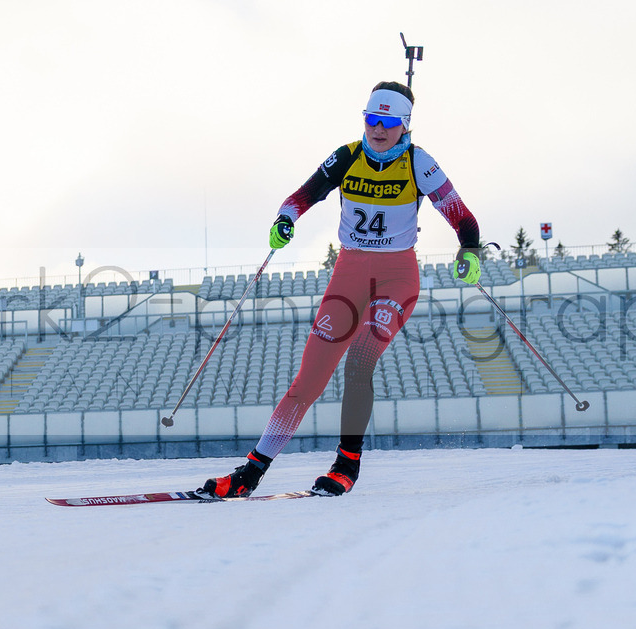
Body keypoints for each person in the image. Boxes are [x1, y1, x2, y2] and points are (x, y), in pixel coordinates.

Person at [198, 81, 481, 498]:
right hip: (348, 274)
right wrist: (284, 220)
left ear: (404, 126)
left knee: (360, 360)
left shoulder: (419, 163)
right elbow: (302, 196)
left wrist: (470, 251)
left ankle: (346, 464)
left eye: (387, 121)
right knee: (307, 381)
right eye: (371, 118)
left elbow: (462, 217)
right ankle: (251, 473)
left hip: (396, 278)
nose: (377, 128)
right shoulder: (348, 156)